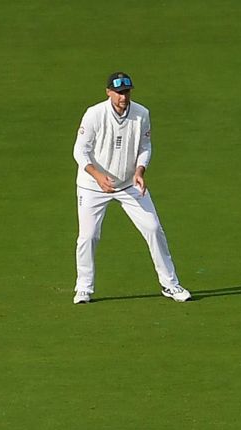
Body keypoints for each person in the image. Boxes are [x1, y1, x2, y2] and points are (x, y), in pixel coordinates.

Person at [72, 72, 191, 305]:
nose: (123, 97)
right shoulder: (94, 114)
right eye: (118, 92)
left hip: (129, 184)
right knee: (88, 237)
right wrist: (97, 176)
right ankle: (84, 288)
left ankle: (170, 284)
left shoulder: (142, 114)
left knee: (154, 228)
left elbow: (145, 145)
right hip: (93, 186)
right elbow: (80, 150)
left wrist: (140, 171)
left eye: (126, 92)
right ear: (108, 92)